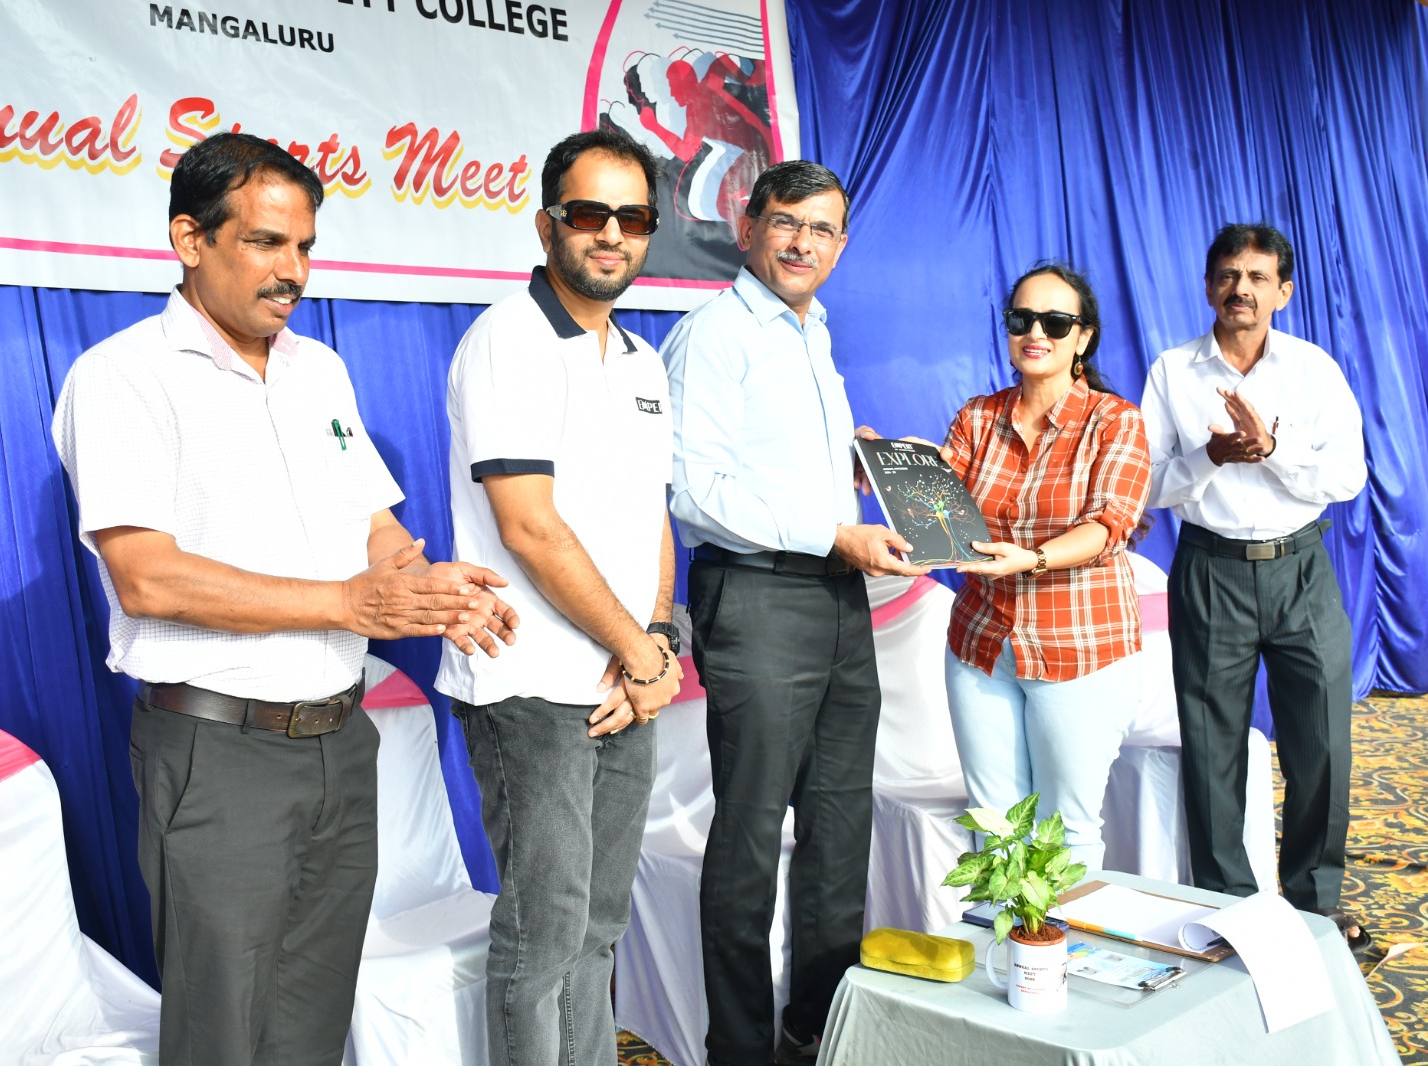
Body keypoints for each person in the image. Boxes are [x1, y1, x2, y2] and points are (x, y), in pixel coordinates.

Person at [52, 131, 517, 1066]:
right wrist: (350, 605)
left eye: (304, 246)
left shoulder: (319, 370)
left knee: (312, 1019)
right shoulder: (123, 376)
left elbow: (376, 525)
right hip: (219, 751)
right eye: (266, 243)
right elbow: (147, 577)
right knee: (221, 1031)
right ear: (190, 239)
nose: (293, 270)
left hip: (342, 742)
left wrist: (426, 590)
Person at [662, 159, 925, 1066]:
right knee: (747, 836)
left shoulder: (812, 332)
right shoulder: (714, 335)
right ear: (748, 228)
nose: (802, 243)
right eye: (786, 223)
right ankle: (739, 1050)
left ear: (841, 246)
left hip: (836, 595)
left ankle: (816, 1031)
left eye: (821, 230)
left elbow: (775, 464)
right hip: (759, 595)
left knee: (840, 826)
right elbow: (696, 492)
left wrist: (858, 464)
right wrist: (833, 530)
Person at [436, 127, 682, 1066]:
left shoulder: (643, 361)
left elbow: (652, 520)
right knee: (544, 936)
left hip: (624, 681)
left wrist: (654, 643)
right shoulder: (510, 340)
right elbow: (529, 527)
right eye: (589, 213)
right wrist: (641, 653)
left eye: (633, 217)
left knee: (600, 924)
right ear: (547, 226)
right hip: (531, 684)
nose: (611, 233)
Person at [1141, 222, 1369, 951]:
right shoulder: (1172, 372)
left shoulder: (1313, 370)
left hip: (1302, 569)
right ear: (1209, 286)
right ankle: (1229, 911)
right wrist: (1209, 457)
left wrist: (1272, 449)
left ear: (1283, 292)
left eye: (1258, 277)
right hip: (1211, 571)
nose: (1241, 289)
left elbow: (1348, 476)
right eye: (1229, 275)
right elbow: (1146, 484)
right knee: (1213, 752)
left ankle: (1313, 904)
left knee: (1322, 745)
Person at [939, 263, 1152, 871]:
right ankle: (1008, 941)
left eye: (1056, 322)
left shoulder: (1116, 421)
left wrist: (1031, 559)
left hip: (1079, 646)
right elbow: (940, 497)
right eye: (1022, 319)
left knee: (1066, 831)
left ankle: (1064, 940)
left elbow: (1110, 526)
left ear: (1083, 337)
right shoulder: (978, 416)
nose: (1036, 333)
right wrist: (890, 461)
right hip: (981, 643)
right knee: (995, 828)